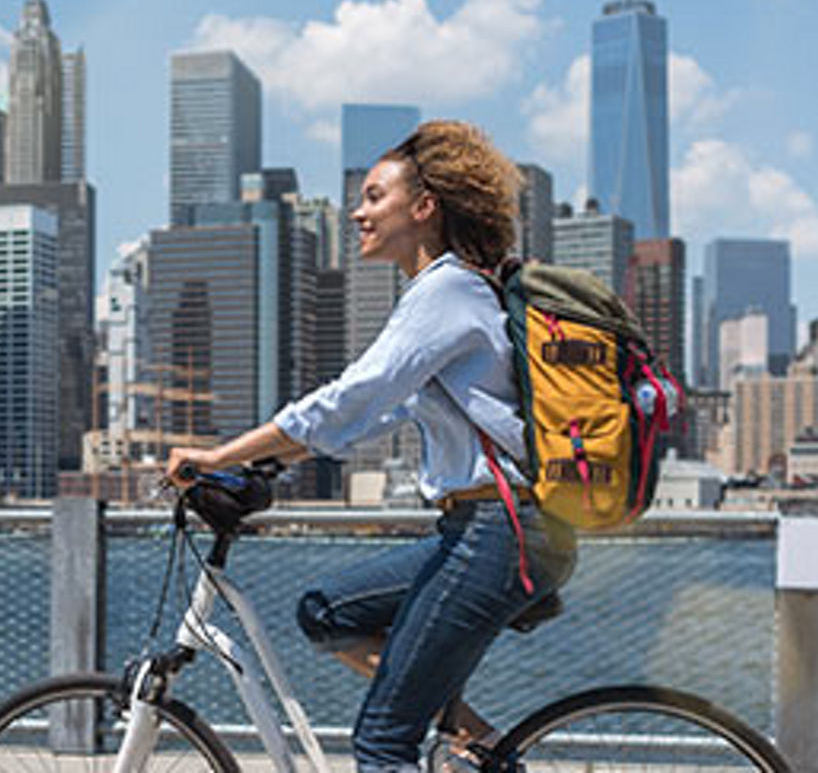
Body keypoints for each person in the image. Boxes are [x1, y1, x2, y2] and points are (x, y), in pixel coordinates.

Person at [165, 120, 577, 772]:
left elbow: (352, 396)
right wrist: (274, 461)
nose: (357, 211)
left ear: (423, 208)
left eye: (375, 196)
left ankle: (464, 744)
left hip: (497, 530)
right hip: (486, 527)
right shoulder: (452, 291)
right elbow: (370, 418)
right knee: (325, 611)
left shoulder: (445, 290)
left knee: (384, 741)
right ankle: (488, 748)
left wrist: (221, 457)